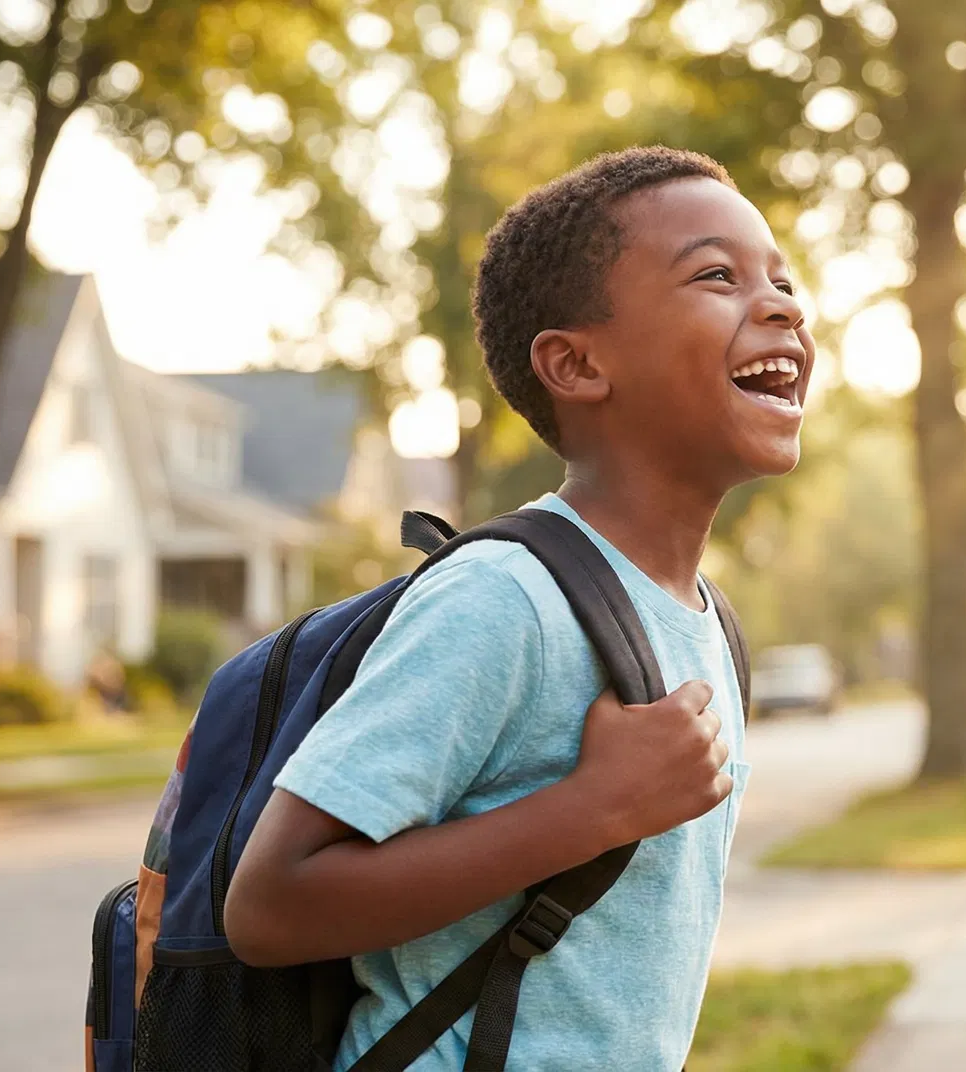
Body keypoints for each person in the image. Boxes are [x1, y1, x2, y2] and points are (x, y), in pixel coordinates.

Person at [223, 146, 813, 1071]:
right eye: (716, 276)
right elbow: (269, 907)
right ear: (577, 364)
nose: (782, 304)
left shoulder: (705, 620)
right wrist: (595, 809)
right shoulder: (506, 598)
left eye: (781, 279)